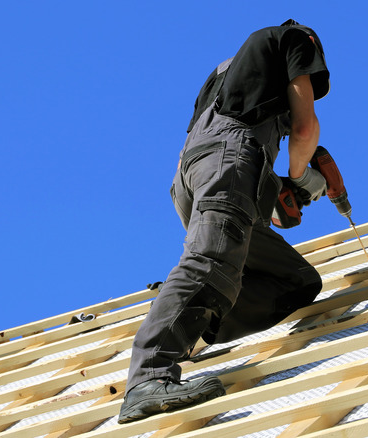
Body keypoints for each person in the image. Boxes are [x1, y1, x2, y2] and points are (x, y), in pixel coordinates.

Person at [118, 19, 331, 424]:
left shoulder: (224, 73)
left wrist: (272, 190)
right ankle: (148, 377)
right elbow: (305, 129)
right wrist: (302, 176)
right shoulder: (294, 39)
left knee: (296, 281)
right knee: (211, 263)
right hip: (229, 162)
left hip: (191, 176)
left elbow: (211, 149)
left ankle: (189, 321)